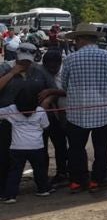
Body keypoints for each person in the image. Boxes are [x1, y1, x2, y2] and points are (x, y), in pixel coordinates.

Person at [60, 23, 107, 193]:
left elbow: (64, 84)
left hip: (77, 112)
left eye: (76, 40)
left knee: (76, 148)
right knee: (101, 148)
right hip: (103, 111)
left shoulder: (70, 59)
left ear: (81, 39)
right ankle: (97, 180)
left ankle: (77, 181)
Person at [0, 43, 58, 194]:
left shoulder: (39, 70)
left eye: (28, 61)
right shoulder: (5, 68)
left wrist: (48, 98)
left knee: (39, 153)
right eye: (22, 61)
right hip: (8, 120)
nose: (25, 64)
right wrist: (12, 73)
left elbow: (54, 89)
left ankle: (42, 184)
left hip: (34, 118)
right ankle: (5, 189)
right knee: (6, 155)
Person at [0, 91, 53, 203]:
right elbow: (46, 126)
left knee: (15, 172)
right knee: (39, 169)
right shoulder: (40, 111)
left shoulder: (11, 110)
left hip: (18, 148)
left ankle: (11, 196)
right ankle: (43, 189)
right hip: (36, 147)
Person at [39, 49, 69, 186]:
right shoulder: (40, 71)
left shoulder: (65, 72)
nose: (52, 70)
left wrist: (51, 92)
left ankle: (62, 172)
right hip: (44, 115)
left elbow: (69, 90)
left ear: (59, 64)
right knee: (42, 146)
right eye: (49, 68)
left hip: (62, 113)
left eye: (54, 68)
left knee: (61, 145)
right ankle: (42, 176)